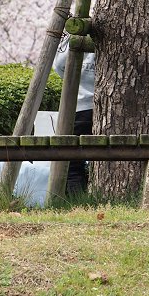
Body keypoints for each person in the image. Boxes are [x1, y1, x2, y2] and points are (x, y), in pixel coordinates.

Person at [53, 34, 94, 194]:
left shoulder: (74, 36)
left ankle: (76, 200)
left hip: (79, 107)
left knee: (72, 163)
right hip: (108, 108)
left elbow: (59, 66)